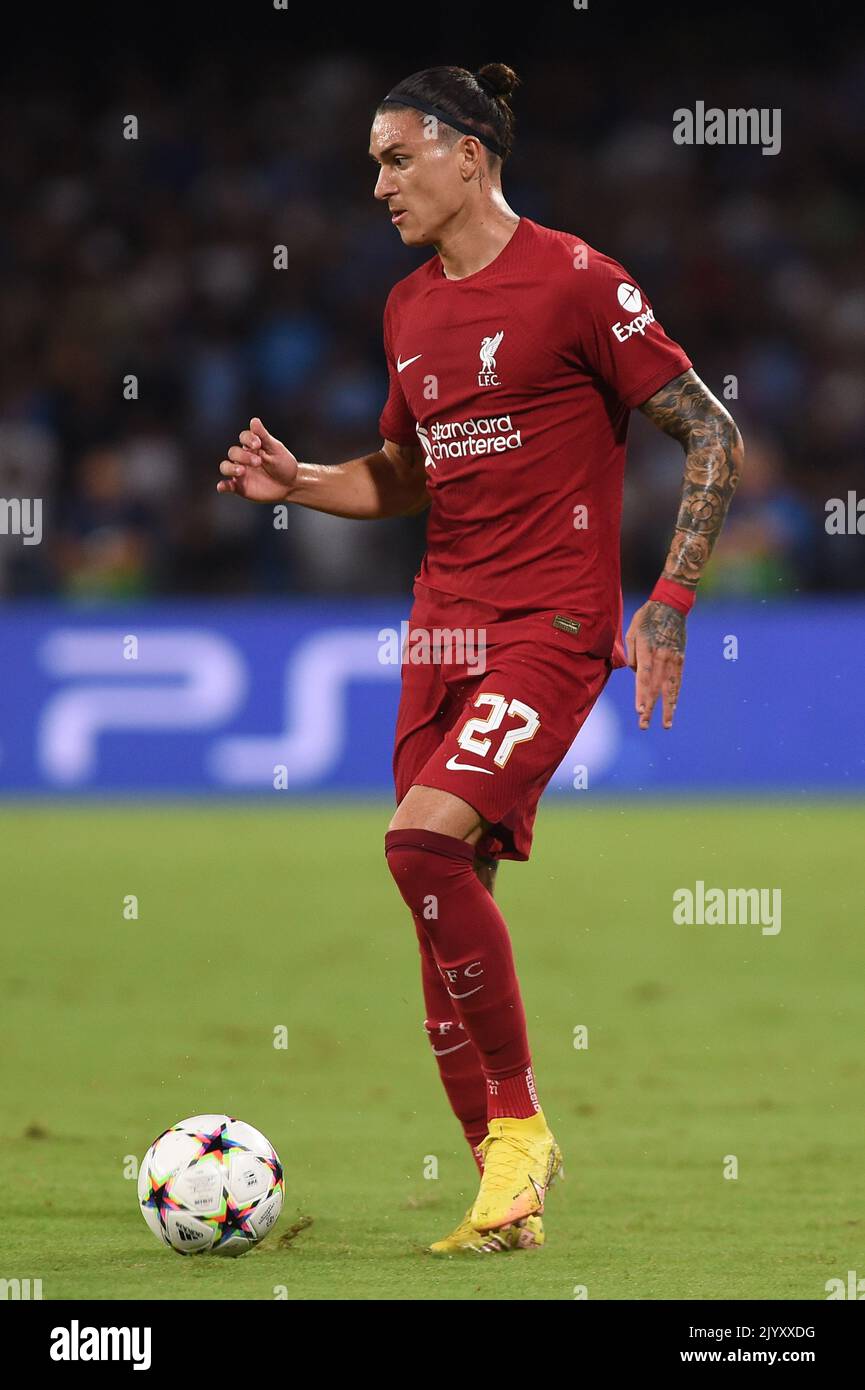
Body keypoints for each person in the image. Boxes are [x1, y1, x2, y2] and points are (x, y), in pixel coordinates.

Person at [217, 62, 743, 1256]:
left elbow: (711, 428)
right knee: (438, 906)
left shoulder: (575, 281)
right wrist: (301, 481)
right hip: (438, 632)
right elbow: (410, 471)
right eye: (372, 163)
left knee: (417, 844)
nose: (378, 183)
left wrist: (666, 599)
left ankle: (519, 1125)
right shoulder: (406, 309)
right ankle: (503, 1197)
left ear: (469, 153)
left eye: (397, 157)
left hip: (550, 626)